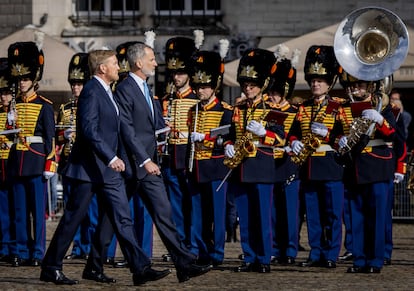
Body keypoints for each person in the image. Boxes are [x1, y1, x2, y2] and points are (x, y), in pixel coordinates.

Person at [40, 49, 171, 286]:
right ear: (102, 68)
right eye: (113, 63)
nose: (118, 67)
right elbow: (89, 130)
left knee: (121, 217)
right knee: (72, 220)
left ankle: (132, 268)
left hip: (107, 171)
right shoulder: (92, 91)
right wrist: (111, 157)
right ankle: (51, 266)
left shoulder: (107, 91)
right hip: (89, 170)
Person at [114, 42, 212, 283]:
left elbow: (151, 123)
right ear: (139, 63)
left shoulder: (146, 87)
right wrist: (145, 159)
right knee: (113, 220)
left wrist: (165, 129)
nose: (156, 63)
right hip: (132, 164)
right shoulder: (125, 88)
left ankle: (183, 263)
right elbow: (127, 130)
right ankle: (99, 263)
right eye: (151, 59)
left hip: (149, 165)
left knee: (164, 212)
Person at [225, 48, 285, 273]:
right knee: (246, 217)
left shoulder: (271, 109)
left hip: (261, 165)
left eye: (252, 85)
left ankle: (264, 258)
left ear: (262, 85)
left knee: (262, 216)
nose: (247, 88)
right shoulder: (238, 108)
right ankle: (249, 257)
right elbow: (230, 135)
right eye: (245, 85)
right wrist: (228, 145)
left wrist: (263, 133)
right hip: (241, 167)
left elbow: (280, 138)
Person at [289, 45, 344, 269]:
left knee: (332, 214)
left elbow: (344, 136)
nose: (315, 83)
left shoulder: (338, 107)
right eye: (312, 79)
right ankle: (316, 252)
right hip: (309, 166)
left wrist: (329, 135)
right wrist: (293, 141)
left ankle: (331, 254)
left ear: (330, 82)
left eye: (320, 80)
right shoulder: (303, 107)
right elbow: (292, 131)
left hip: (331, 165)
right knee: (313, 215)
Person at [336, 71, 396, 274]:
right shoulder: (343, 108)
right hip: (354, 168)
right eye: (352, 86)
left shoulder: (384, 107)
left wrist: (380, 120)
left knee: (377, 217)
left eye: (360, 85)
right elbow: (334, 135)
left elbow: (398, 135)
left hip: (378, 167)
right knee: (357, 217)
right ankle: (359, 259)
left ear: (370, 86)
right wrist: (339, 141)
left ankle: (375, 260)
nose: (355, 89)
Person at [7, 40, 57, 267]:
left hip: (36, 162)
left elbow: (50, 139)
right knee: (18, 212)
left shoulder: (45, 105)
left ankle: (37, 252)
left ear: (34, 79)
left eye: (25, 78)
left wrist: (50, 166)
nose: (21, 82)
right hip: (17, 161)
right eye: (19, 79)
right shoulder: (12, 105)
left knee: (37, 213)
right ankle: (20, 250)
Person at [186, 46, 232, 266]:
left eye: (205, 86)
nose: (200, 90)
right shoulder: (192, 110)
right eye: (198, 86)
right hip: (196, 167)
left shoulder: (226, 110)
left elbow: (225, 140)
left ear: (214, 86)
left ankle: (217, 253)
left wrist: (204, 138)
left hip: (216, 168)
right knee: (199, 215)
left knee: (217, 215)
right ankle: (201, 252)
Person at [55, 52, 98, 261]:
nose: (75, 88)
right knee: (72, 210)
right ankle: (79, 247)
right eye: (73, 84)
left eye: (79, 84)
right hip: (68, 162)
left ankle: (90, 247)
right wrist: (65, 135)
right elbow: (58, 137)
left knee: (90, 210)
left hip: (87, 163)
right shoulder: (65, 108)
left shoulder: (91, 105)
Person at [160, 37, 198, 262]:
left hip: (189, 155)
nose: (176, 77)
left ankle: (192, 245)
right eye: (174, 73)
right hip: (170, 155)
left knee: (191, 204)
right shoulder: (167, 100)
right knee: (174, 206)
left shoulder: (195, 98)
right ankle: (178, 244)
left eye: (181, 73)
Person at [267, 48, 301, 265]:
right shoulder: (264, 110)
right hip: (268, 164)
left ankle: (289, 249)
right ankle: (272, 247)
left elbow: (297, 134)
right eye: (271, 93)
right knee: (271, 212)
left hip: (288, 164)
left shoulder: (294, 112)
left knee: (289, 212)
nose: (273, 97)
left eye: (277, 93)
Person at [0, 58, 14, 264]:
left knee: (15, 210)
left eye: (5, 93)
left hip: (14, 163)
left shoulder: (16, 113)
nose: (3, 97)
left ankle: (14, 246)